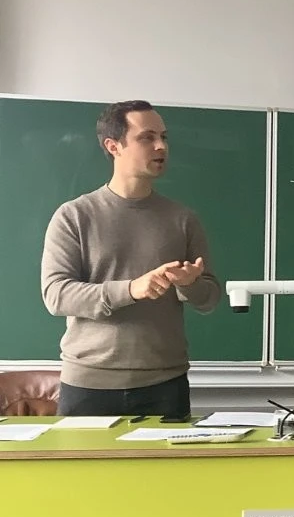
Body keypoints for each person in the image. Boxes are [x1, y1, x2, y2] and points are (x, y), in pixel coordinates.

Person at [40, 100, 222, 419]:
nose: (160, 146)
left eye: (164, 137)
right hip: (88, 386)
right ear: (114, 146)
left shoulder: (183, 219)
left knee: (163, 472)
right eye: (147, 137)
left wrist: (190, 285)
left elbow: (210, 298)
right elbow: (56, 295)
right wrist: (131, 289)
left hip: (165, 385)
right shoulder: (74, 216)